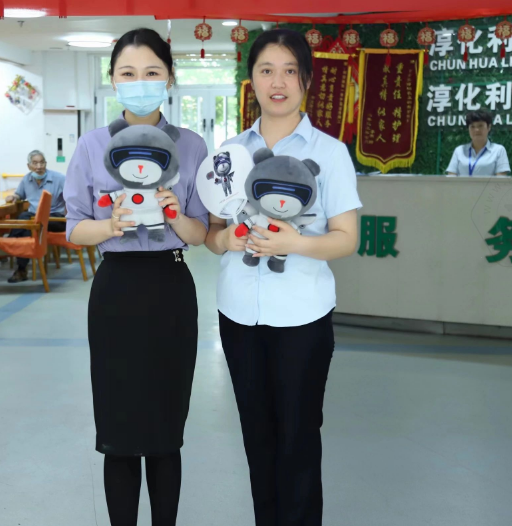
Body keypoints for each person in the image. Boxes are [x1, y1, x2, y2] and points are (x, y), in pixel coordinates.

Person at [205, 29, 361, 526]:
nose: (278, 82)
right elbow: (211, 234)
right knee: (257, 438)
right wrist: (224, 241)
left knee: (298, 438)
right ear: (251, 81)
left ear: (306, 80)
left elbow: (346, 238)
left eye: (290, 71)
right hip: (238, 315)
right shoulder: (231, 152)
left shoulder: (329, 153)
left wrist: (295, 244)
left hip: (302, 318)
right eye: (266, 70)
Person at [64, 28, 208, 526]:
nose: (139, 82)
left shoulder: (191, 146)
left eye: (151, 72)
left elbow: (198, 233)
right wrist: (111, 225)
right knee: (119, 431)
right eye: (128, 73)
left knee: (166, 430)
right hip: (116, 291)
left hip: (171, 290)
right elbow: (74, 229)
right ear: (113, 80)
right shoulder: (91, 146)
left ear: (168, 78)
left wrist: (174, 214)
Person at [4, 150, 67, 283]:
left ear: (46, 164)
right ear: (29, 166)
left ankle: (9, 246)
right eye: (35, 163)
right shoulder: (26, 179)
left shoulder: (59, 178)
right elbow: (19, 194)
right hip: (34, 218)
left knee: (27, 222)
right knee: (26, 224)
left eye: (42, 163)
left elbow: (73, 196)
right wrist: (14, 197)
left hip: (55, 218)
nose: (39, 167)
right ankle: (21, 269)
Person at [446, 110, 510, 176]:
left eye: (480, 126)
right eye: (472, 126)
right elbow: (451, 176)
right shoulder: (459, 150)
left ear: (489, 127)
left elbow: (501, 179)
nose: (476, 130)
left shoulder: (498, 150)